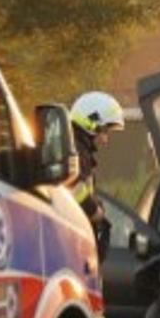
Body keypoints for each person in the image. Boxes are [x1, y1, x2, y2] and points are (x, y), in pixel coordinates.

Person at [69, 91, 125, 258]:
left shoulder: (76, 147)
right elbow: (75, 188)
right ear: (92, 124)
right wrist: (95, 211)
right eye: (105, 131)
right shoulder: (78, 151)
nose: (105, 140)